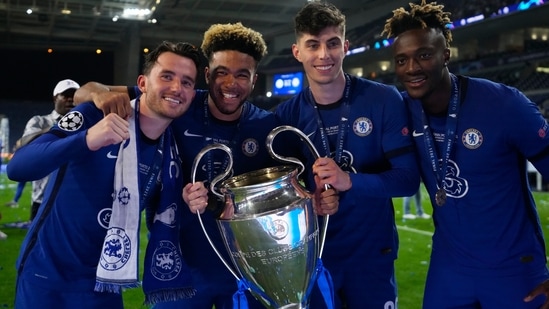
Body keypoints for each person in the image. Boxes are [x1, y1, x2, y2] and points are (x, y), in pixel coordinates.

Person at [74, 22, 339, 309]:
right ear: (207, 74)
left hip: (245, 270)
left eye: (242, 75)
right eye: (222, 72)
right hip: (180, 268)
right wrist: (100, 94)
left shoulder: (266, 125)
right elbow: (83, 92)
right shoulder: (178, 104)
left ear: (253, 80)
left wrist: (320, 197)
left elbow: (296, 184)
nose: (230, 84)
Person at [7, 41, 201, 308]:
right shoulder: (94, 115)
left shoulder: (172, 150)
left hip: (107, 283)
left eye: (187, 82)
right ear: (142, 83)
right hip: (49, 278)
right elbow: (18, 167)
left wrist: (189, 199)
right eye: (166, 76)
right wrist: (86, 139)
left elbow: (156, 211)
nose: (177, 88)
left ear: (193, 95)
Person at [382, 1, 549, 308]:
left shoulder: (505, 104)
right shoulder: (400, 111)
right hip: (449, 269)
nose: (412, 68)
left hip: (514, 269)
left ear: (446, 54)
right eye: (401, 60)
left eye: (424, 55)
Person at [272, 2, 419, 308]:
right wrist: (308, 198)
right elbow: (282, 195)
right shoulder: (286, 116)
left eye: (332, 44)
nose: (323, 55)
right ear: (297, 51)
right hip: (314, 259)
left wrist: (349, 181)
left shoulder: (382, 99)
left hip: (372, 257)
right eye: (313, 45)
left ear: (346, 47)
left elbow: (407, 180)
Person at [18, 78, 80, 223]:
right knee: (38, 244)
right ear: (54, 98)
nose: (71, 99)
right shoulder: (40, 121)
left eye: (75, 95)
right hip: (43, 200)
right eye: (65, 95)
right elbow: (25, 143)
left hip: (75, 201)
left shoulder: (88, 123)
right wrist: (59, 127)